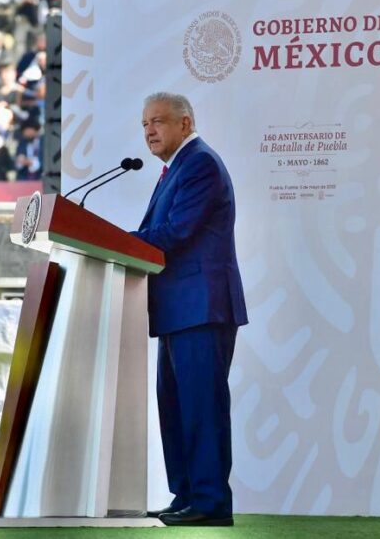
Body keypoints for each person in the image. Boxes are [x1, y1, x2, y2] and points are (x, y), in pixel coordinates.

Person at [131, 92, 248, 527]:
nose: (149, 131)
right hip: (179, 310)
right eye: (144, 124)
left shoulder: (199, 163)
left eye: (158, 121)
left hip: (202, 307)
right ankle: (187, 495)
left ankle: (211, 501)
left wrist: (116, 237)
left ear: (185, 122)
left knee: (201, 405)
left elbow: (176, 231)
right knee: (176, 405)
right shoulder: (174, 168)